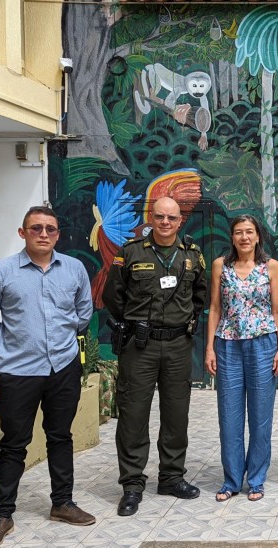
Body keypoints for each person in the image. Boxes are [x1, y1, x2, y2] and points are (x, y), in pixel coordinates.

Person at [0, 206, 95, 547]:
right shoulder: (1, 271)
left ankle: (63, 503)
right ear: (22, 232)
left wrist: (62, 336)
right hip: (19, 371)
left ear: (58, 234)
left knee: (60, 437)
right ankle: (2, 516)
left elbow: (83, 311)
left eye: (50, 229)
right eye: (36, 228)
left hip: (63, 367)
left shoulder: (73, 268)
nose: (44, 234)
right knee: (14, 443)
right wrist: (11, 346)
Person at [102, 196, 207, 517]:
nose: (165, 222)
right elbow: (112, 296)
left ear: (179, 221)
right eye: (159, 217)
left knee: (177, 413)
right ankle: (132, 485)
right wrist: (137, 323)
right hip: (140, 346)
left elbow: (200, 295)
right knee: (133, 415)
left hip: (177, 345)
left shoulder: (192, 254)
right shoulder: (131, 252)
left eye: (171, 218)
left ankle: (172, 477)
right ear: (152, 218)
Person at [204, 215, 278, 502]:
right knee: (229, 415)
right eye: (238, 232)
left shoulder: (271, 267)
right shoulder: (220, 266)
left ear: (258, 236)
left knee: (261, 416)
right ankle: (231, 480)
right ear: (232, 236)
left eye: (249, 232)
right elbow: (215, 308)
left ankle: (257, 479)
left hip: (263, 345)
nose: (244, 237)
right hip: (228, 346)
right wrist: (210, 348)